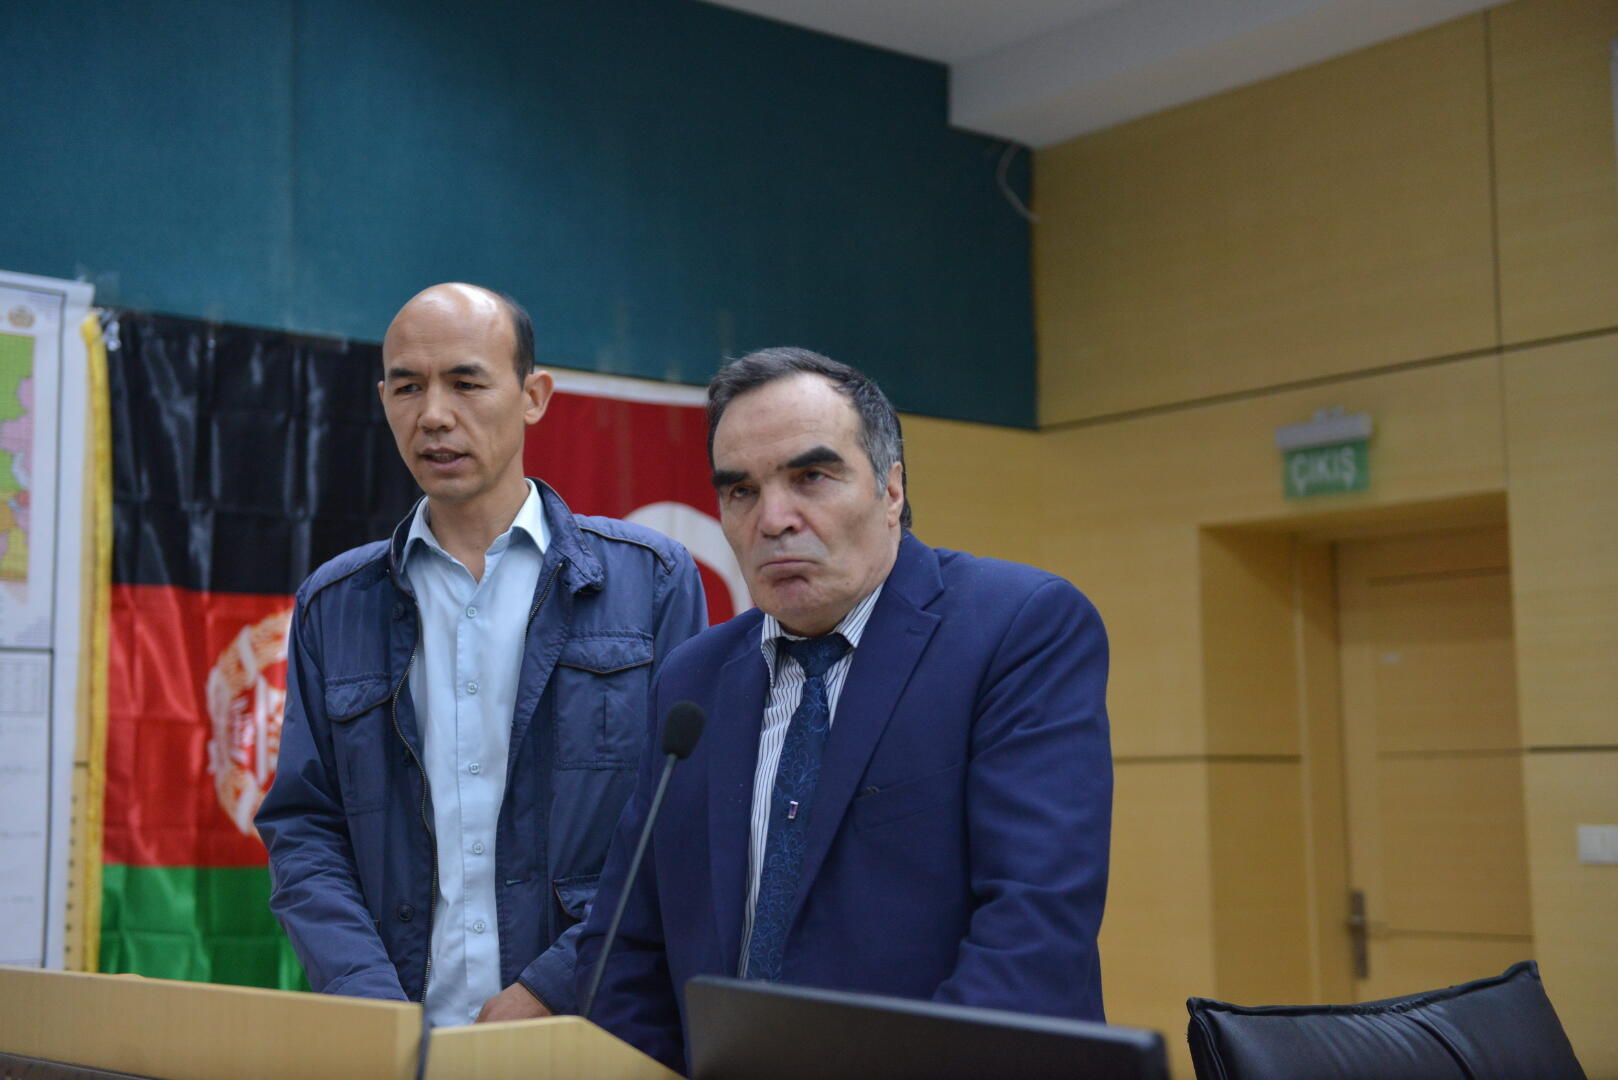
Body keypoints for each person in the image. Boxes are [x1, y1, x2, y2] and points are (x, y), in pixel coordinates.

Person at [578, 347, 1111, 1071]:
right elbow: (627, 946)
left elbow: (1034, 932)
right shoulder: (692, 679)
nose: (773, 520)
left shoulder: (1018, 629)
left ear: (891, 488)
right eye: (740, 491)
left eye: (811, 477)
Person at [256, 283, 706, 1027]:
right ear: (384, 400)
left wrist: (553, 985)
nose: (434, 414)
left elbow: (680, 817)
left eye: (466, 383)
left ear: (534, 396)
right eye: (408, 387)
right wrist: (368, 1001)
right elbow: (305, 828)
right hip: (400, 1038)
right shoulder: (335, 605)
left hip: (587, 1028)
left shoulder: (650, 581)